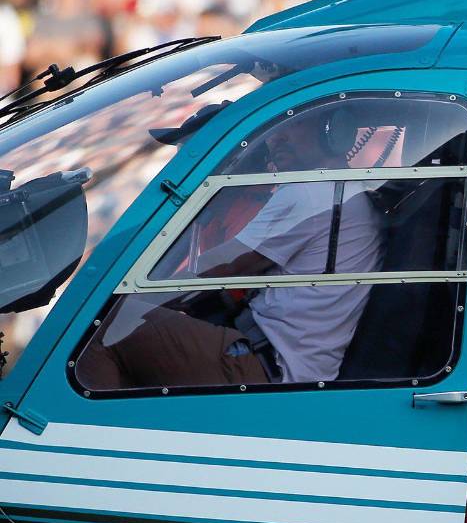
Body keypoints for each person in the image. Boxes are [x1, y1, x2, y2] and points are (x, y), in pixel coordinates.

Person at [77, 112, 386, 390]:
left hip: (269, 366)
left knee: (98, 328)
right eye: (273, 130)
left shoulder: (312, 192)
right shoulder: (342, 191)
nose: (275, 138)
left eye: (291, 126)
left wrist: (119, 298)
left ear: (335, 130)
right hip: (282, 359)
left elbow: (221, 267)